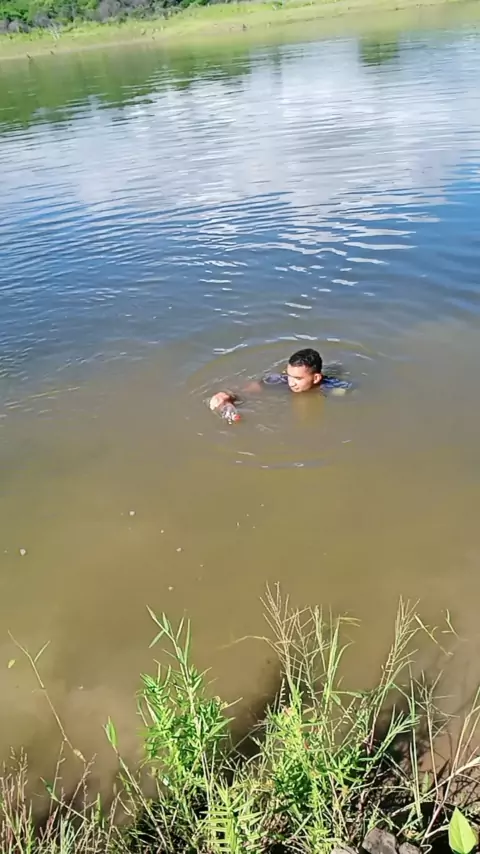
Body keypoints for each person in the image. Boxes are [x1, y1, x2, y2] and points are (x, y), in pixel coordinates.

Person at [209, 348, 351, 414]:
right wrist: (227, 396)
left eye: (298, 379)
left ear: (316, 378)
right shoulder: (279, 381)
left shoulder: (334, 387)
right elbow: (248, 390)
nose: (291, 383)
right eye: (289, 376)